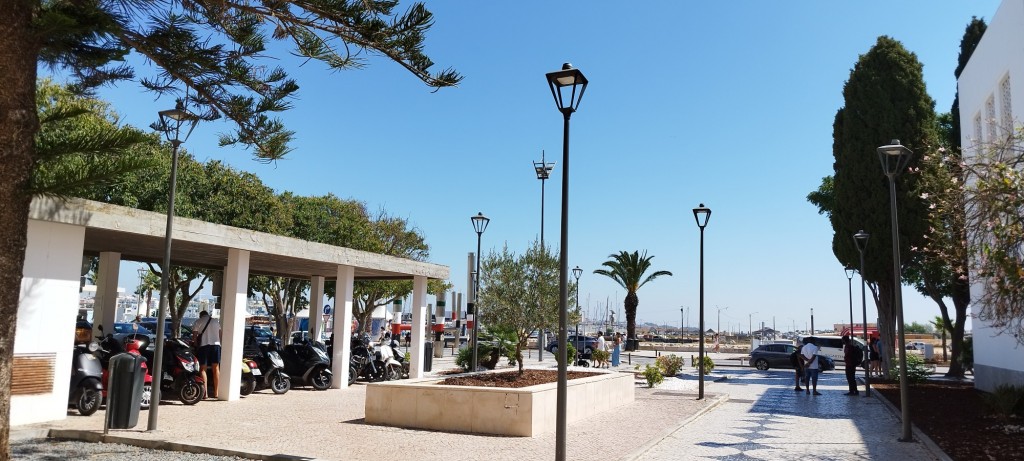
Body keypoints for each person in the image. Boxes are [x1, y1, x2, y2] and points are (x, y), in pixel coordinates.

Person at [193, 310, 222, 399]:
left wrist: (195, 344)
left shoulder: (198, 321)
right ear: (208, 315)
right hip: (216, 346)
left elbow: (194, 336)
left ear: (200, 315)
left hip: (204, 346)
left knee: (203, 369)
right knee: (216, 368)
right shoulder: (215, 321)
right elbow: (220, 334)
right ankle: (216, 392)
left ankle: (205, 393)